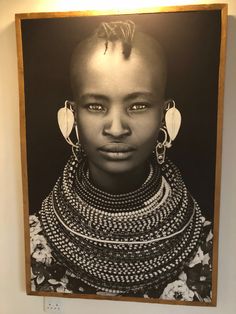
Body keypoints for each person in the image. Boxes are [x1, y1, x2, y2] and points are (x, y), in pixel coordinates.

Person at [29, 21, 213, 302]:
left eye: (137, 106)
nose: (116, 128)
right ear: (72, 114)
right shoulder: (30, 242)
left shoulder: (210, 245)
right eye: (95, 106)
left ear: (165, 114)